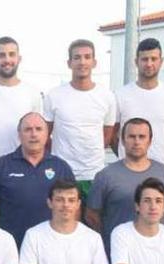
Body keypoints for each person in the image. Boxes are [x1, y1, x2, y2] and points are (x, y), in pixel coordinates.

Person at [86, 118, 164, 252]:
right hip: (117, 252)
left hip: (156, 251)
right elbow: (91, 215)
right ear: (123, 140)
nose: (137, 142)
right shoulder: (105, 176)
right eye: (131, 136)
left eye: (142, 137)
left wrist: (157, 230)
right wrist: (109, 235)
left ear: (150, 141)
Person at [0, 112, 75, 246]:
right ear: (19, 135)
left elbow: (73, 208)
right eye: (28, 129)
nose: (33, 134)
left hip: (51, 246)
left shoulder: (60, 167)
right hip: (11, 245)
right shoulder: (2, 164)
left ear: (47, 134)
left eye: (39, 129)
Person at [43, 39, 117, 198]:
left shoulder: (107, 96)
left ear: (94, 62)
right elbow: (44, 136)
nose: (82, 62)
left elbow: (107, 136)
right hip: (62, 174)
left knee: (93, 220)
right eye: (77, 58)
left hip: (94, 174)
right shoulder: (54, 95)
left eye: (87, 57)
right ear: (69, 63)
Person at [0, 36, 43, 179]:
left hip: (22, 169)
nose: (7, 60)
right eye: (1, 55)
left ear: (19, 58)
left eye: (11, 54)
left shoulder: (32, 93)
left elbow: (38, 133)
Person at [114, 38, 164, 167]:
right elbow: (113, 135)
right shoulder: (120, 95)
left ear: (161, 62)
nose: (149, 64)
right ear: (136, 62)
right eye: (144, 59)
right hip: (128, 169)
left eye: (154, 59)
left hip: (161, 169)